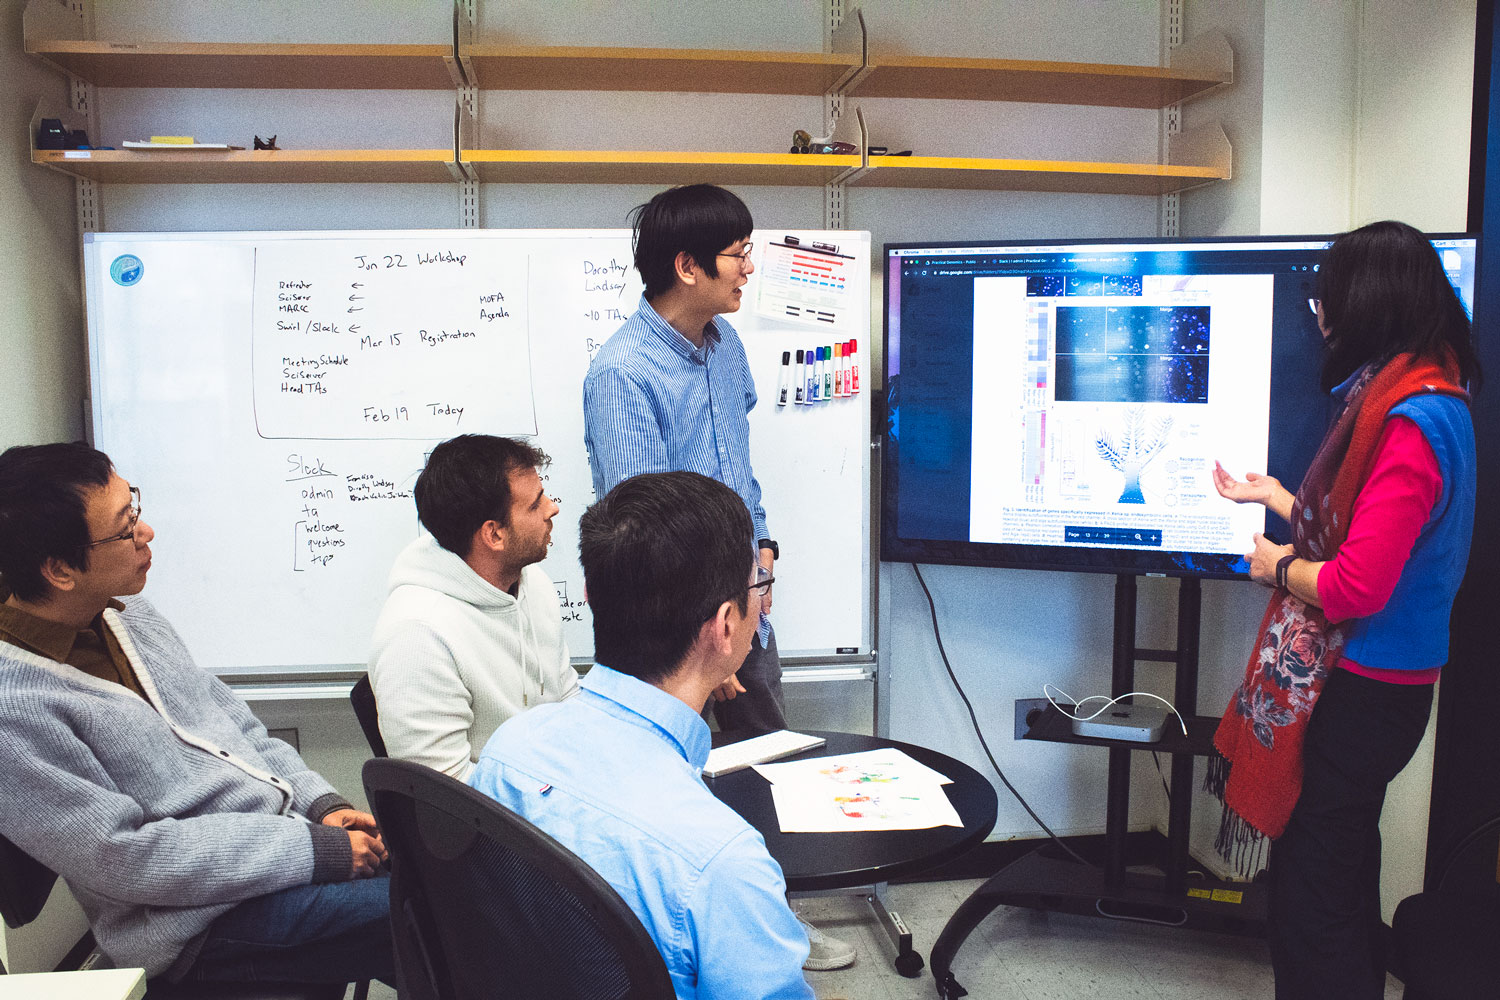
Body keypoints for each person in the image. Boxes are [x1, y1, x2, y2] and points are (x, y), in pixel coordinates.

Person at [0, 442, 394, 988]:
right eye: (124, 527)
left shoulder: (129, 615)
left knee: (457, 880)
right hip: (190, 928)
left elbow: (242, 729)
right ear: (60, 569)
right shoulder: (13, 710)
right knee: (433, 915)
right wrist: (313, 850)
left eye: (133, 507)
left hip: (278, 860)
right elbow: (124, 856)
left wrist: (320, 805)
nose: (146, 533)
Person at [1209, 220, 1478, 1000]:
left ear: (1369, 303)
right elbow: (1376, 541)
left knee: (1312, 894)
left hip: (1364, 691)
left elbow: (1356, 584)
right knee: (1345, 867)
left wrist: (1277, 564)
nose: (1319, 311)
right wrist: (1280, 499)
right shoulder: (1426, 394)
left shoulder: (1409, 424)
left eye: (1328, 295)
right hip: (1384, 687)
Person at [469, 471, 816, 999]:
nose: (762, 597)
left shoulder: (509, 752)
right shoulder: (723, 864)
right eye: (758, 584)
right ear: (725, 625)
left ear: (590, 595)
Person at [582, 183, 785, 736]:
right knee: (672, 792)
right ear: (688, 266)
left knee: (769, 777)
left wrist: (763, 550)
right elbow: (640, 531)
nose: (748, 268)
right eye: (738, 253)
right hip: (678, 642)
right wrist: (699, 650)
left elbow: (738, 467)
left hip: (743, 614)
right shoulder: (623, 372)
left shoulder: (726, 346)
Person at [368, 434, 578, 779]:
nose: (552, 508)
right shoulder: (417, 636)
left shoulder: (533, 583)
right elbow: (447, 796)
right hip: (495, 825)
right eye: (535, 503)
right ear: (494, 534)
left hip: (552, 791)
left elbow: (566, 698)